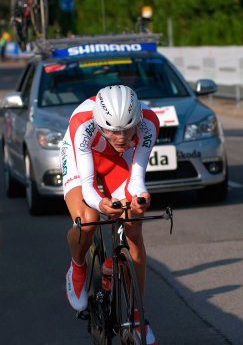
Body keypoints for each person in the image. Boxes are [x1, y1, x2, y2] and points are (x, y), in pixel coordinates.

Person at [59, 85, 159, 344]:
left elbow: (137, 179)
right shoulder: (84, 125)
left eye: (128, 128)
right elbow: (89, 186)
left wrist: (140, 197)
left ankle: (137, 318)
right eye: (113, 130)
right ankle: (78, 266)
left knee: (134, 221)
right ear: (100, 123)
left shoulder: (149, 123)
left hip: (117, 161)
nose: (122, 136)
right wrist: (102, 204)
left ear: (138, 120)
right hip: (84, 155)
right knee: (88, 220)